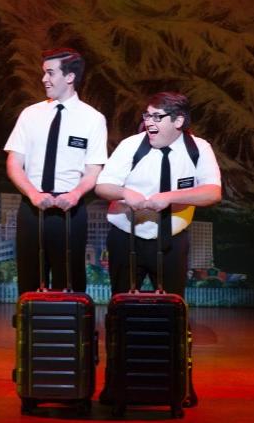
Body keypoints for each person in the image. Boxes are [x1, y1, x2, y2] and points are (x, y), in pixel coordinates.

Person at [95, 91, 221, 406]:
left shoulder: (198, 149)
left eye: (156, 117)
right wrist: (127, 193)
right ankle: (115, 385)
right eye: (146, 116)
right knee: (119, 313)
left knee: (175, 313)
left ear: (178, 121)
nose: (148, 123)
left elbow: (212, 192)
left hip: (171, 241)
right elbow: (103, 185)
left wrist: (171, 197)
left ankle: (181, 383)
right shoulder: (130, 146)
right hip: (127, 238)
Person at [4, 48, 107, 294]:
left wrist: (74, 195)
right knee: (29, 276)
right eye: (44, 73)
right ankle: (29, 330)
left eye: (50, 73)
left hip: (70, 209)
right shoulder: (30, 115)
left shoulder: (93, 119)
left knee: (70, 279)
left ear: (69, 77)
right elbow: (14, 163)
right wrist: (33, 194)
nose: (44, 79)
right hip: (32, 205)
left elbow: (93, 170)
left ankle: (71, 330)